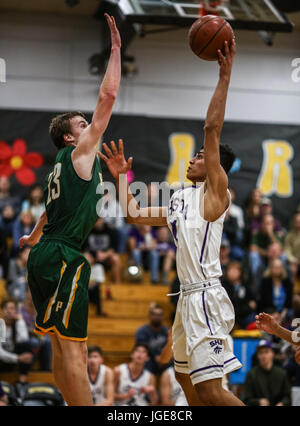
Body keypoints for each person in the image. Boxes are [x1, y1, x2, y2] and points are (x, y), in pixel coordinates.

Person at [100, 39, 244, 406]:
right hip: (185, 299)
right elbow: (133, 214)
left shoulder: (217, 194)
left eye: (200, 157)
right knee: (184, 379)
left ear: (215, 168)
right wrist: (120, 178)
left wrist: (224, 75)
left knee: (212, 389)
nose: (193, 159)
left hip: (207, 296)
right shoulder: (180, 197)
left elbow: (211, 129)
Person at [18, 14, 121, 406]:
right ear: (69, 136)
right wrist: (115, 50)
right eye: (83, 124)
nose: (91, 125)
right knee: (75, 348)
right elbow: (108, 98)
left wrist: (33, 235)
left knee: (61, 350)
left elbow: (47, 210)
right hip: (64, 256)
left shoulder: (58, 166)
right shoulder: (79, 154)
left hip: (44, 253)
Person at [242, 339, 291, 406]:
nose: (263, 356)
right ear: (257, 356)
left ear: (272, 354)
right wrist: (258, 402)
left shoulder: (281, 373)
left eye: (266, 352)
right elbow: (245, 398)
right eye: (260, 353)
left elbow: (288, 396)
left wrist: (282, 403)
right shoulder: (251, 374)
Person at [0, 299, 34, 383]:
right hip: (2, 361)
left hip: (13, 359)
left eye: (12, 308)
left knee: (27, 346)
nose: (10, 311)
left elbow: (23, 340)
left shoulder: (17, 324)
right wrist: (17, 358)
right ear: (2, 311)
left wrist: (20, 320)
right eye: (7, 308)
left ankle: (22, 382)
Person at [135, 304, 170, 375]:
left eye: (159, 315)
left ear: (162, 317)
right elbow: (141, 348)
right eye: (154, 314)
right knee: (146, 362)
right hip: (148, 358)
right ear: (150, 316)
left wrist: (163, 357)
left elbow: (171, 347)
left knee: (174, 365)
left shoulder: (168, 331)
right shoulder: (142, 331)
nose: (157, 317)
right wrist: (155, 356)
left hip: (165, 358)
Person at [84, 217, 121, 284]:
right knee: (85, 258)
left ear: (102, 219)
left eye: (99, 219)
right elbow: (85, 248)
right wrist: (95, 254)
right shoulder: (87, 230)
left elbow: (114, 248)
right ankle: (87, 283)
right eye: (95, 219)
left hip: (107, 257)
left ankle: (117, 283)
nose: (97, 221)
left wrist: (105, 254)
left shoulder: (111, 230)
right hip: (92, 256)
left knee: (116, 258)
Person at [222, 261, 256, 329]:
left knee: (252, 317)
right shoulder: (223, 286)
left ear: (240, 272)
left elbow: (253, 303)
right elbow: (230, 304)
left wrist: (244, 307)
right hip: (228, 315)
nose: (232, 273)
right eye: (230, 270)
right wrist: (246, 306)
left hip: (244, 316)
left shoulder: (245, 285)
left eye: (235, 270)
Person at [258, 258, 293, 322]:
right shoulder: (265, 282)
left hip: (284, 311)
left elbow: (289, 301)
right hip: (269, 310)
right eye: (275, 267)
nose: (277, 269)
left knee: (290, 314)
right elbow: (264, 301)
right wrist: (274, 313)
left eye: (279, 267)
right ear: (271, 268)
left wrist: (283, 314)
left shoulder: (287, 282)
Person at [82, 251, 105, 316]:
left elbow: (99, 281)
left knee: (97, 289)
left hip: (92, 291)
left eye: (87, 257)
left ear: (92, 259)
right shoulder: (81, 268)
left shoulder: (98, 267)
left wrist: (89, 285)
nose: (85, 259)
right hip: (83, 289)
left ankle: (99, 312)